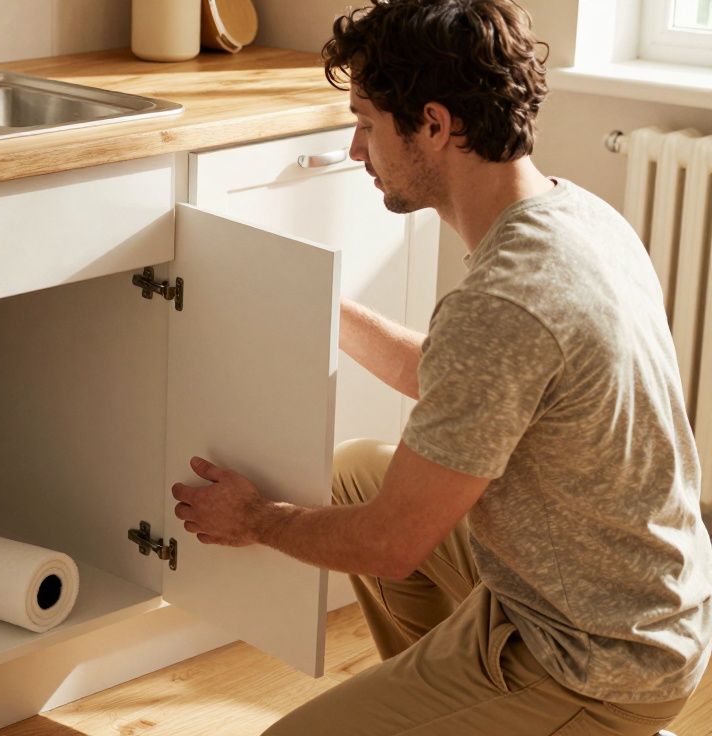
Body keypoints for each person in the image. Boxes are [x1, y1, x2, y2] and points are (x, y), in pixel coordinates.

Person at [169, 1, 712, 733]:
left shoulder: (505, 304)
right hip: (628, 601)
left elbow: (389, 547)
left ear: (433, 123)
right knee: (362, 467)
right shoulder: (575, 217)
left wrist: (256, 519)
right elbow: (464, 382)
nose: (359, 150)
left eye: (366, 122)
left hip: (595, 663)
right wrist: (314, 305)